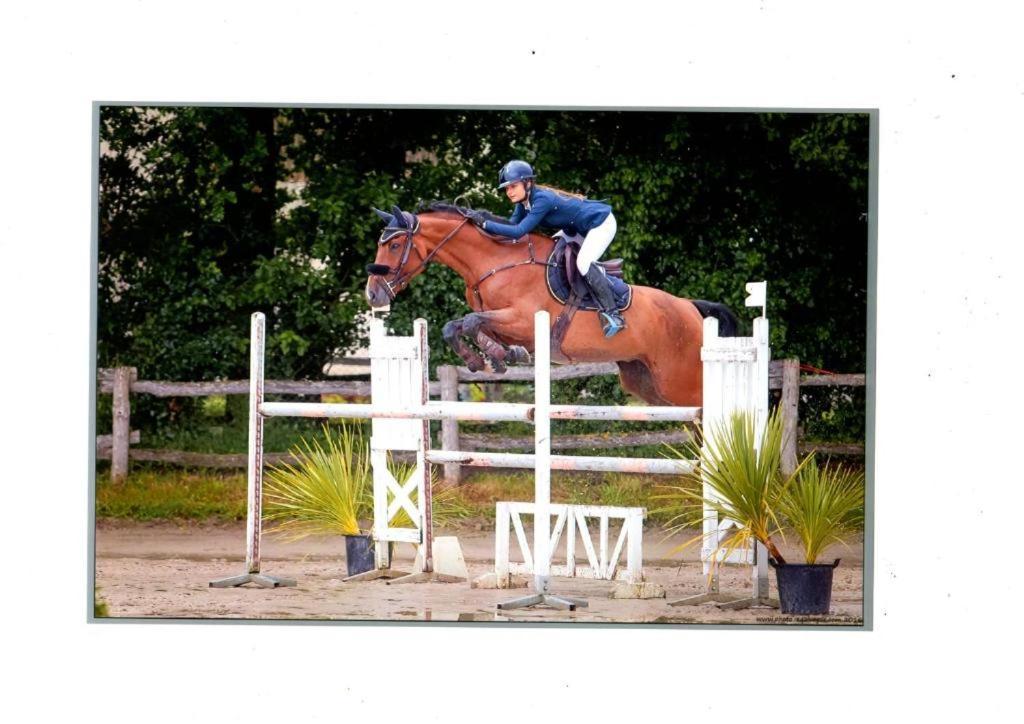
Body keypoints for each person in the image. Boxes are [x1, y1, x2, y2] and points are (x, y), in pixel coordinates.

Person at [467, 160, 625, 337]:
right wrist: (480, 226)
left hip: (600, 223)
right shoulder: (523, 203)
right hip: (575, 229)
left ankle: (613, 313)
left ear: (527, 183)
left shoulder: (542, 200)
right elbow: (510, 226)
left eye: (513, 186)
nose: (509, 192)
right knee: (552, 251)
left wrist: (487, 223)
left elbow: (518, 232)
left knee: (583, 263)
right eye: (506, 188)